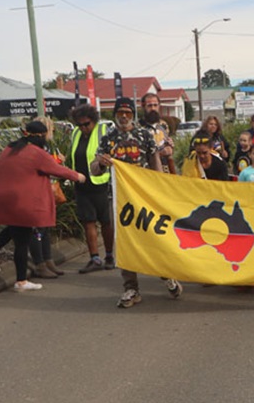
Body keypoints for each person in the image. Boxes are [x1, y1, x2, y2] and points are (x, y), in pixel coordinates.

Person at [90, 97, 181, 308]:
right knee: (125, 243)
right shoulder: (108, 138)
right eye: (120, 112)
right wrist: (100, 164)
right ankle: (131, 288)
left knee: (153, 238)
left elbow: (155, 162)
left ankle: (166, 274)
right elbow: (94, 168)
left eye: (128, 113)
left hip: (145, 197)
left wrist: (161, 190)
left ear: (133, 114)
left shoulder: (144, 135)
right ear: (114, 114)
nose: (124, 116)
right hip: (120, 200)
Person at [0, 121, 85, 292]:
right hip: (20, 202)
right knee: (22, 241)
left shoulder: (10, 149)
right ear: (40, 136)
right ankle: (21, 281)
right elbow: (57, 169)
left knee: (14, 232)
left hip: (2, 199)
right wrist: (78, 176)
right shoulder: (36, 153)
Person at [63, 105, 116, 274]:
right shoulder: (76, 133)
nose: (83, 128)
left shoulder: (104, 131)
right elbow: (73, 153)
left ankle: (109, 256)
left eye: (86, 124)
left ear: (93, 120)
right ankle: (94, 258)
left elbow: (112, 155)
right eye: (79, 125)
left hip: (101, 184)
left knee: (106, 222)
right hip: (82, 185)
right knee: (88, 221)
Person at [140, 93, 175, 174]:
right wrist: (159, 153)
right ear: (143, 107)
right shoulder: (138, 127)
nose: (153, 108)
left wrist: (171, 147)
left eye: (155, 105)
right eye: (149, 106)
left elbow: (165, 144)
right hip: (147, 170)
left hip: (165, 169)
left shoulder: (164, 125)